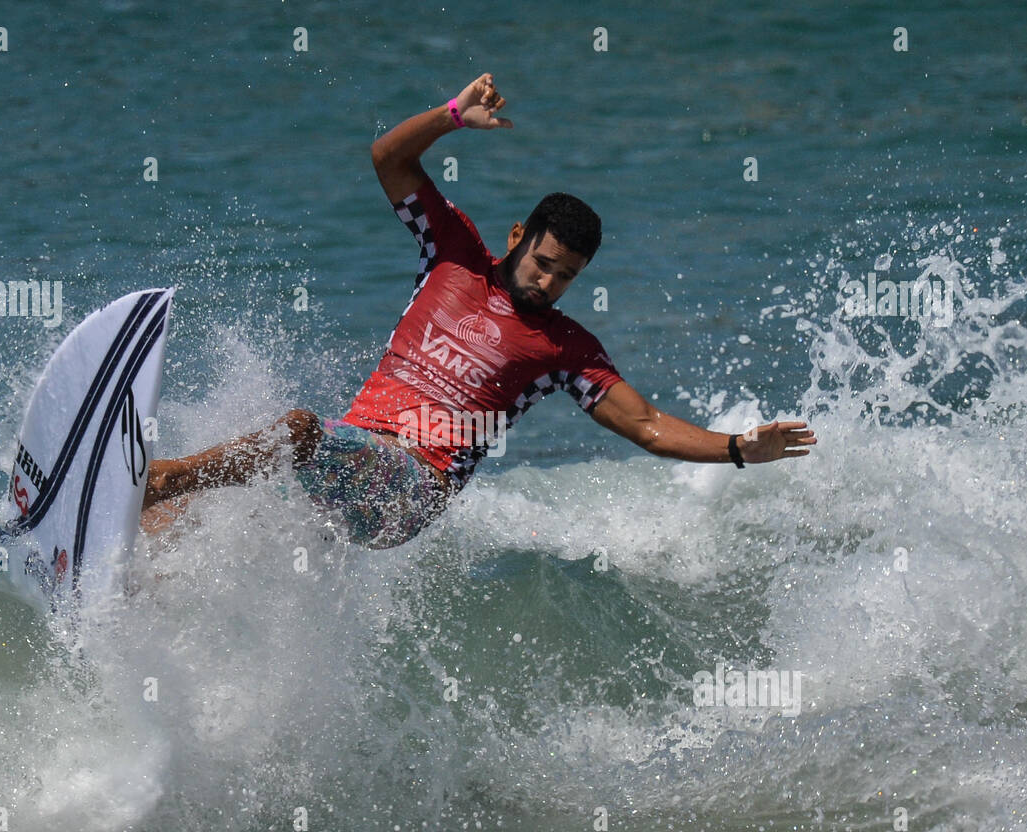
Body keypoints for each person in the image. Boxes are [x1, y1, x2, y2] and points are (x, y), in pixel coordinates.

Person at [140, 73, 817, 547]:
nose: (551, 283)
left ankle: (161, 477)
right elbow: (388, 158)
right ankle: (128, 576)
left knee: (295, 431)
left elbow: (644, 424)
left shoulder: (563, 348)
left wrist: (736, 449)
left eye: (568, 277)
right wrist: (453, 117)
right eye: (544, 264)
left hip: (412, 490)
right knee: (210, 523)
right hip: (356, 460)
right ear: (517, 238)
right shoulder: (453, 253)